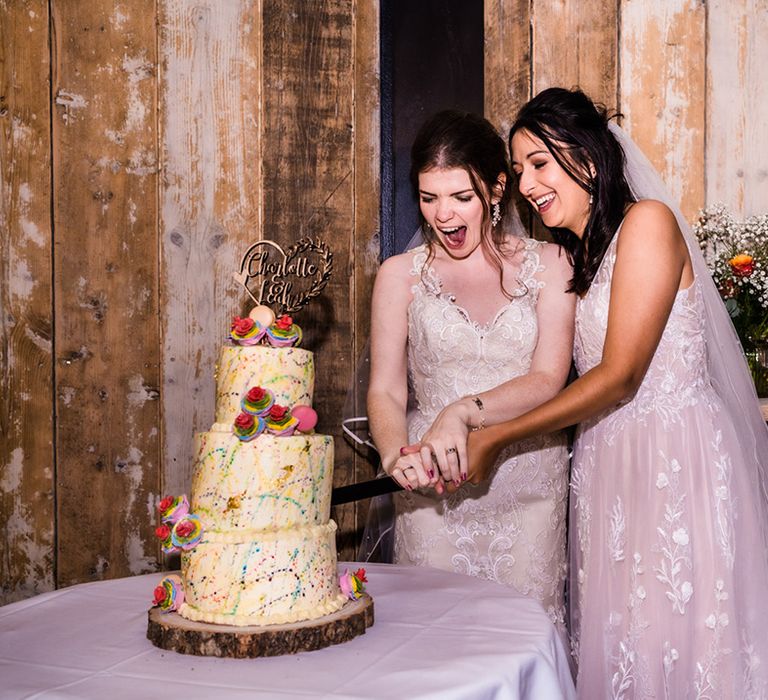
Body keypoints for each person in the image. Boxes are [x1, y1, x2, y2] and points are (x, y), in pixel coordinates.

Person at [438, 87, 768, 697]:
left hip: (672, 458)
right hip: (610, 463)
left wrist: (497, 438)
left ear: (588, 158)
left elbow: (619, 376)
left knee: (678, 632)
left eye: (540, 162)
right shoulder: (581, 253)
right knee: (627, 644)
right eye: (518, 170)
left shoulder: (648, 223)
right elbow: (555, 375)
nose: (529, 185)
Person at [366, 110, 576, 628]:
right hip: (434, 494)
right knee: (435, 642)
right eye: (428, 197)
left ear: (497, 187)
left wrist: (463, 411)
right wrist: (396, 454)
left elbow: (549, 378)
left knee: (526, 634)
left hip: (528, 483)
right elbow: (387, 391)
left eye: (461, 197)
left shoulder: (551, 265)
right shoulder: (399, 276)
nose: (443, 215)